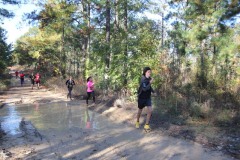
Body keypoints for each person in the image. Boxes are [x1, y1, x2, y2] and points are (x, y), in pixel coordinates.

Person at [136, 67, 154, 132]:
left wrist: (154, 92)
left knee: (150, 110)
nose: (150, 73)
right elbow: (144, 89)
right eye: (148, 72)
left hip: (147, 98)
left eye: (150, 72)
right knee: (140, 111)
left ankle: (146, 125)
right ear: (145, 72)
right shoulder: (142, 79)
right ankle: (137, 121)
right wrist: (150, 83)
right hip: (141, 98)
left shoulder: (149, 79)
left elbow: (149, 87)